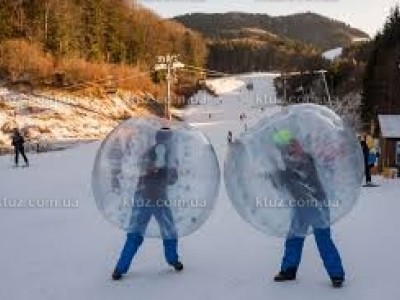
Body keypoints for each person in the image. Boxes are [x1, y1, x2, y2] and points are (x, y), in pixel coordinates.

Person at [270, 129, 345, 288]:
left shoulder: (306, 159)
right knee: (294, 237)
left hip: (317, 204)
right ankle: (289, 269)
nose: (291, 148)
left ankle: (336, 274)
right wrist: (270, 175)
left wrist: (278, 174)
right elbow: (281, 182)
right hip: (301, 206)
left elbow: (299, 172)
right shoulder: (287, 164)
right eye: (286, 146)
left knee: (323, 239)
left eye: (293, 144)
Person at [112, 128, 183, 281]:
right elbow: (169, 179)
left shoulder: (155, 154)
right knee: (166, 231)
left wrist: (167, 171)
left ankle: (120, 268)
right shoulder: (162, 155)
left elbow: (168, 178)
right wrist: (162, 170)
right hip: (155, 199)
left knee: (137, 234)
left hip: (146, 198)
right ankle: (173, 260)